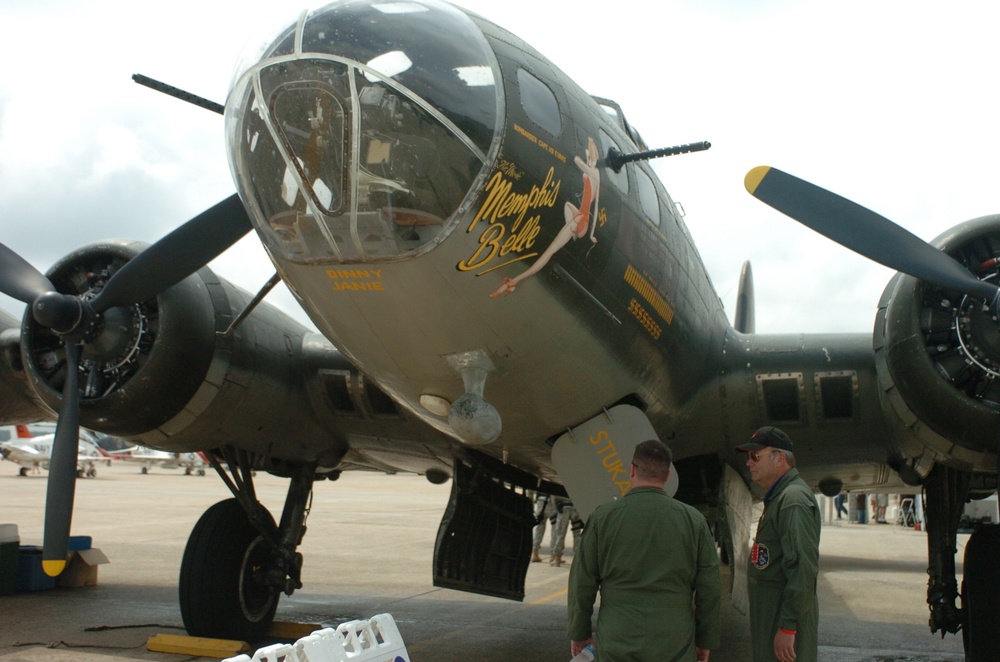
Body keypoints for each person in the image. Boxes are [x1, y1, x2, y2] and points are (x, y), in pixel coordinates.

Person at [568, 440, 721, 661]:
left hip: (618, 635)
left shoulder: (603, 518)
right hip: (674, 638)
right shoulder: (694, 521)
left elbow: (582, 582)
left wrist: (579, 632)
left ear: (632, 470)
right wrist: (705, 640)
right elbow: (710, 587)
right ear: (667, 475)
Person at [737, 426, 821, 662]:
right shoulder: (780, 497)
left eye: (755, 456)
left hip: (781, 621)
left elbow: (803, 568)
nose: (749, 463)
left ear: (779, 459)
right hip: (772, 618)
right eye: (748, 457)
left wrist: (788, 627)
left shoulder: (792, 500)